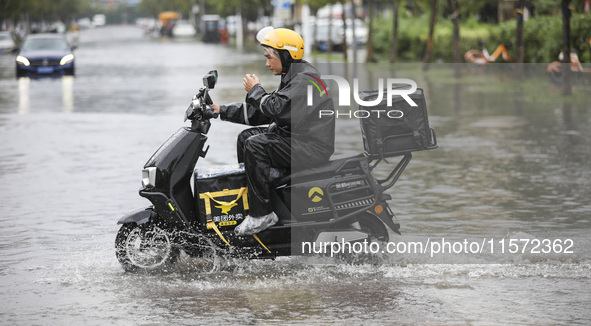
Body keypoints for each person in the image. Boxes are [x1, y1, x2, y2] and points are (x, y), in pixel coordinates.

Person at [212, 27, 335, 236]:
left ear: (285, 55)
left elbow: (276, 108)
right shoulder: (293, 77)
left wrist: (255, 90)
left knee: (256, 144)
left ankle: (262, 214)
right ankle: (257, 202)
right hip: (295, 140)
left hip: (310, 147)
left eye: (270, 57)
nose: (267, 63)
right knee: (246, 138)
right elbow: (264, 112)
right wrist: (220, 110)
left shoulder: (306, 80)